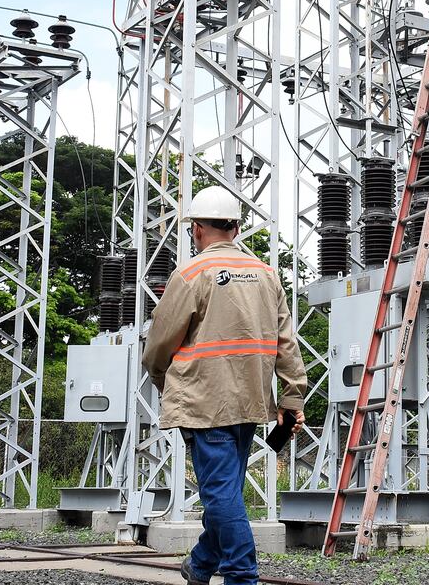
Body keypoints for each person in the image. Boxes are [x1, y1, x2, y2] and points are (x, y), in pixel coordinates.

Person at [142, 186, 308, 585]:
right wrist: (291, 396)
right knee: (226, 493)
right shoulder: (267, 275)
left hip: (204, 403)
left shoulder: (190, 274)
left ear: (197, 229)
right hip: (250, 400)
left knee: (221, 497)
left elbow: (157, 348)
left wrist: (171, 385)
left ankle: (240, 576)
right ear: (235, 227)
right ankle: (200, 565)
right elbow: (286, 343)